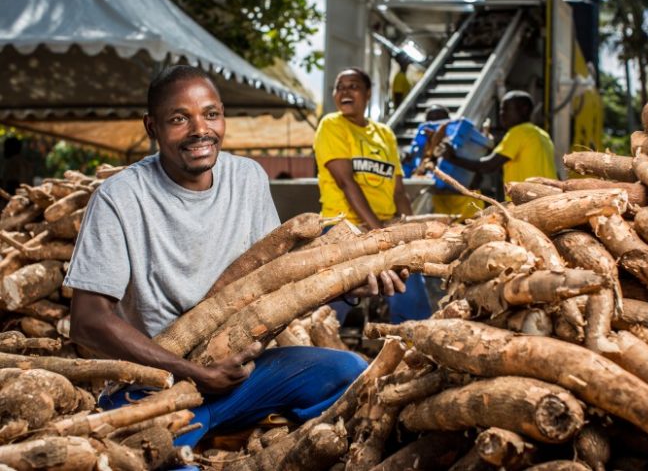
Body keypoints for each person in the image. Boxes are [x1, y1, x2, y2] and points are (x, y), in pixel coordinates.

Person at [65, 65, 403, 452]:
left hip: (242, 375)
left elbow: (275, 284)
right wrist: (193, 372)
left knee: (352, 375)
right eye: (179, 118)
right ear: (151, 127)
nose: (199, 130)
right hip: (159, 386)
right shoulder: (119, 198)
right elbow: (88, 322)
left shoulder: (247, 178)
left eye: (211, 114)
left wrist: (346, 286)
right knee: (159, 457)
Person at [314, 67, 431, 324]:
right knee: (334, 299)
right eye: (339, 86)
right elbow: (347, 183)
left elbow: (398, 191)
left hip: (384, 227)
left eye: (353, 86)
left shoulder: (385, 134)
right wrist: (380, 237)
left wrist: (410, 235)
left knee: (408, 286)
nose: (344, 91)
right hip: (343, 229)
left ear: (368, 93)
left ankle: (415, 348)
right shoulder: (331, 126)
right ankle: (316, 346)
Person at [443, 90, 557, 196]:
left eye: (506, 109)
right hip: (548, 197)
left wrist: (452, 158)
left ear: (524, 109)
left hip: (529, 202)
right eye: (501, 110)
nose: (502, 114)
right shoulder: (542, 134)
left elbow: (488, 166)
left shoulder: (518, 132)